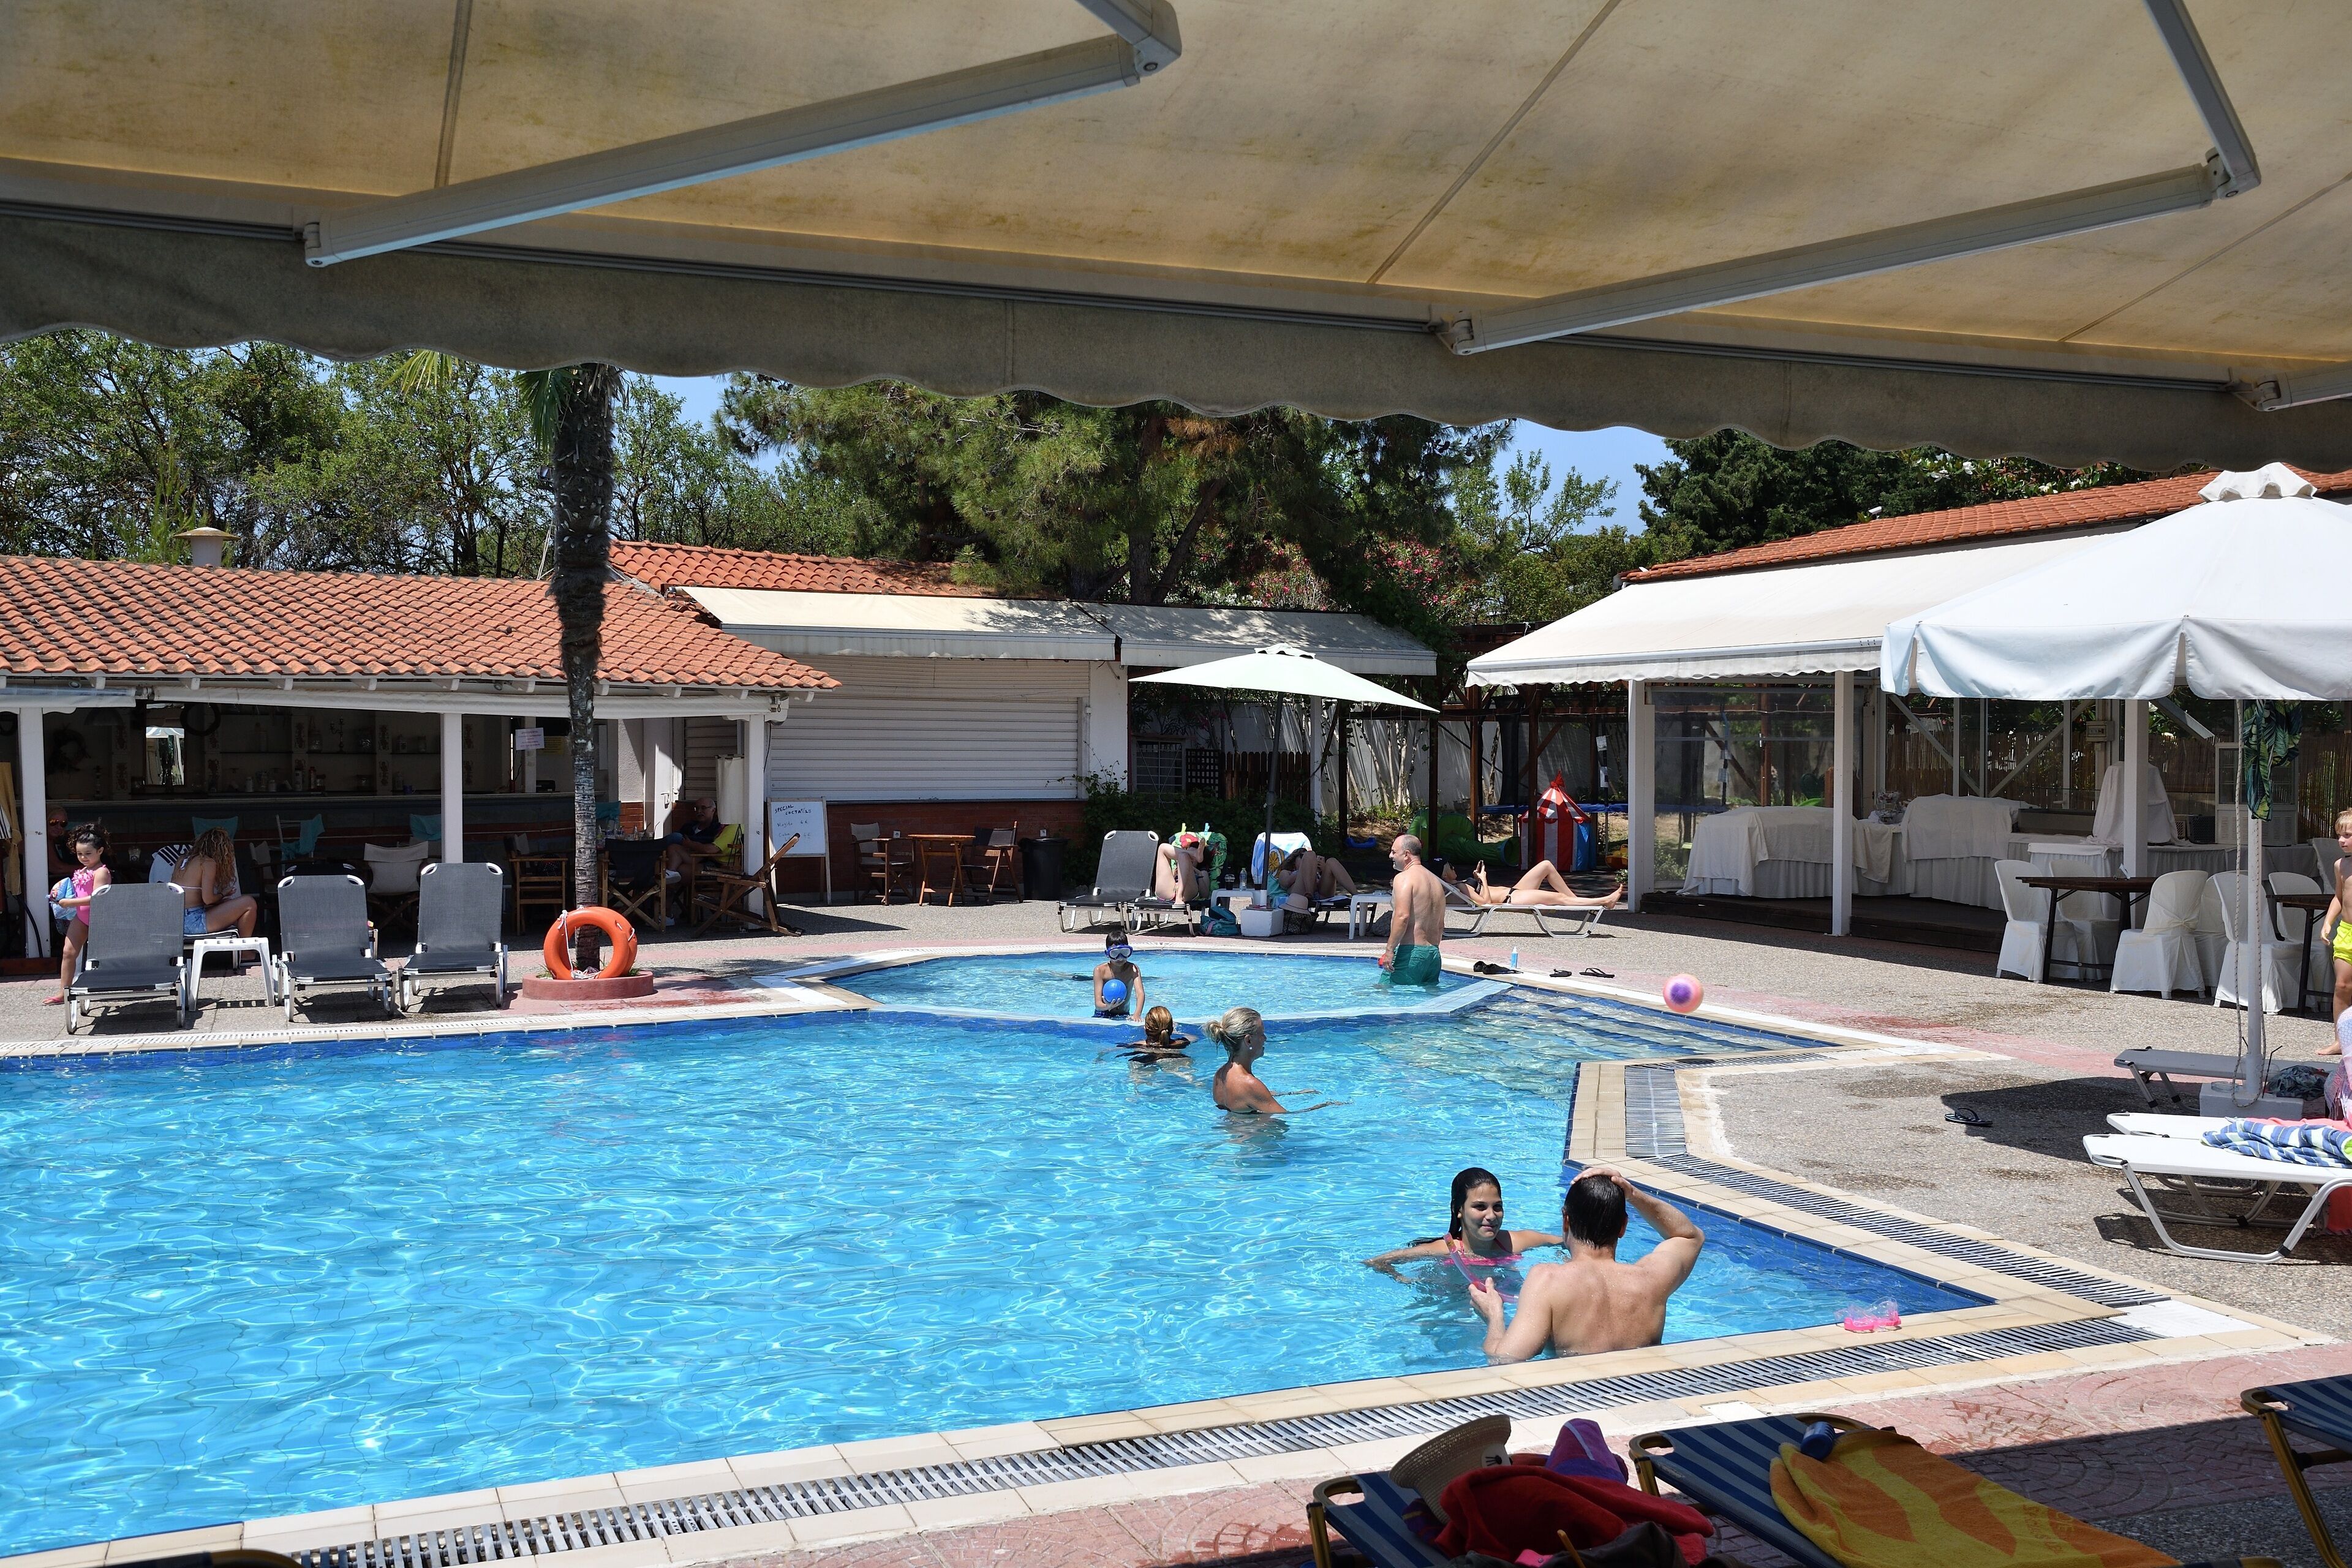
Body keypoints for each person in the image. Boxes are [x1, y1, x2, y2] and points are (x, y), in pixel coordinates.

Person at [1469, 1167, 1705, 1360]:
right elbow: (1690, 1235)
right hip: (1643, 1398)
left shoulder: (1548, 1280)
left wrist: (1494, 1315)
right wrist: (1632, 1194)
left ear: (1566, 1221)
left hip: (1579, 1408)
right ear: (1623, 1226)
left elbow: (1505, 1360)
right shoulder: (1652, 1279)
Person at [1365, 1166, 1562, 1275]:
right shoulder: (1444, 1250)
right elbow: (1375, 1262)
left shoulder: (1514, 1242)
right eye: (1480, 1207)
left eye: (1498, 1207)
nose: (1492, 1216)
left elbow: (1568, 1241)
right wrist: (1403, 1279)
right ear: (1458, 1210)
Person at [1207, 1005, 1338, 1114]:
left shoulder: (1220, 1075)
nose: (1265, 1038)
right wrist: (1324, 1105)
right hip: (1256, 1140)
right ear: (1248, 1040)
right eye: (1261, 1033)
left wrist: (1291, 1093)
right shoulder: (1249, 1084)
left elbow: (1245, 1100)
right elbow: (1286, 1116)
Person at [43, 824, 113, 1005]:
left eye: (88, 854)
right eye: (80, 854)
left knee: (111, 956)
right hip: (82, 918)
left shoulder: (101, 872)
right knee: (68, 952)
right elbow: (78, 893)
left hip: (100, 919)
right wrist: (60, 894)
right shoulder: (82, 871)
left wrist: (69, 903)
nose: (83, 858)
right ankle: (63, 991)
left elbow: (96, 898)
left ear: (100, 851)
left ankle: (133, 980)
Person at [1380, 834, 1447, 986]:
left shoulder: (1404, 878)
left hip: (1411, 954)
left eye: (1394, 852)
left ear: (1407, 855)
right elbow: (1440, 924)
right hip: (1433, 955)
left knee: (1385, 994)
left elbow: (1402, 916)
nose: (1390, 855)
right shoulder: (1436, 882)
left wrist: (1390, 950)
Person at [173, 827, 259, 942]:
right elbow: (208, 900)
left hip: (176, 921)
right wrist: (222, 894)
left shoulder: (182, 860)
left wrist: (220, 902)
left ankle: (236, 949)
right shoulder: (208, 862)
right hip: (193, 923)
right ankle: (244, 951)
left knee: (228, 905)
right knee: (249, 903)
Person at [1439, 858, 1623, 910]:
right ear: (1446, 875)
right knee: (1558, 898)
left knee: (1546, 866)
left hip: (1515, 891)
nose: (1455, 867)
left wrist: (1478, 879)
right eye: (1451, 866)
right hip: (1511, 898)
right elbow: (1486, 903)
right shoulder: (1460, 887)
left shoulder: (1460, 884)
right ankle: (1605, 901)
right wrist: (1484, 880)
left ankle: (1578, 904)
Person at [1276, 846, 1358, 933]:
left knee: (1331, 861)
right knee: (1310, 854)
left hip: (1321, 894)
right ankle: (1309, 892)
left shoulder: (1316, 873)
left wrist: (1323, 871)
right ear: (1293, 861)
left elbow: (1320, 885)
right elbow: (1285, 883)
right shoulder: (1286, 872)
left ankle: (1357, 895)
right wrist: (1304, 870)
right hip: (1301, 895)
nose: (1310, 861)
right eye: (1302, 857)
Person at [2325, 806, 2352, 1050]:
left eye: (2349, 835)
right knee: (2342, 986)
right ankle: (2339, 1039)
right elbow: (2338, 898)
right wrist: (2327, 922)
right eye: (2340, 836)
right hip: (2346, 932)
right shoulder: (2341, 866)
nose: (2342, 841)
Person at [662, 796, 725, 878]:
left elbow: (710, 844)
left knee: (676, 839)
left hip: (704, 859)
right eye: (697, 808)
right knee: (673, 844)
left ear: (713, 810)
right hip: (685, 856)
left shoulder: (717, 827)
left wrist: (690, 843)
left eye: (703, 808)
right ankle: (669, 875)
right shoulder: (689, 826)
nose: (699, 811)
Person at [1093, 935, 1144, 1019]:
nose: (1120, 958)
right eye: (1114, 953)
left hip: (1124, 1014)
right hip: (1103, 1014)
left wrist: (1137, 1015)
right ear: (1107, 954)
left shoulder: (1133, 969)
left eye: (1124, 952)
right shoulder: (1100, 971)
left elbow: (1140, 994)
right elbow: (1098, 1004)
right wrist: (1108, 1006)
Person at [1156, 832, 1211, 905]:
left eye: (1192, 857)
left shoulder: (1202, 872)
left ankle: (1179, 897)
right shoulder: (1179, 864)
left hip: (1187, 893)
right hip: (1168, 891)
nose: (1190, 859)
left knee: (1184, 856)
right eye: (1189, 852)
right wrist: (1175, 873)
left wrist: (1198, 873)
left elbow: (1205, 895)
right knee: (1162, 847)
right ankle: (1195, 854)